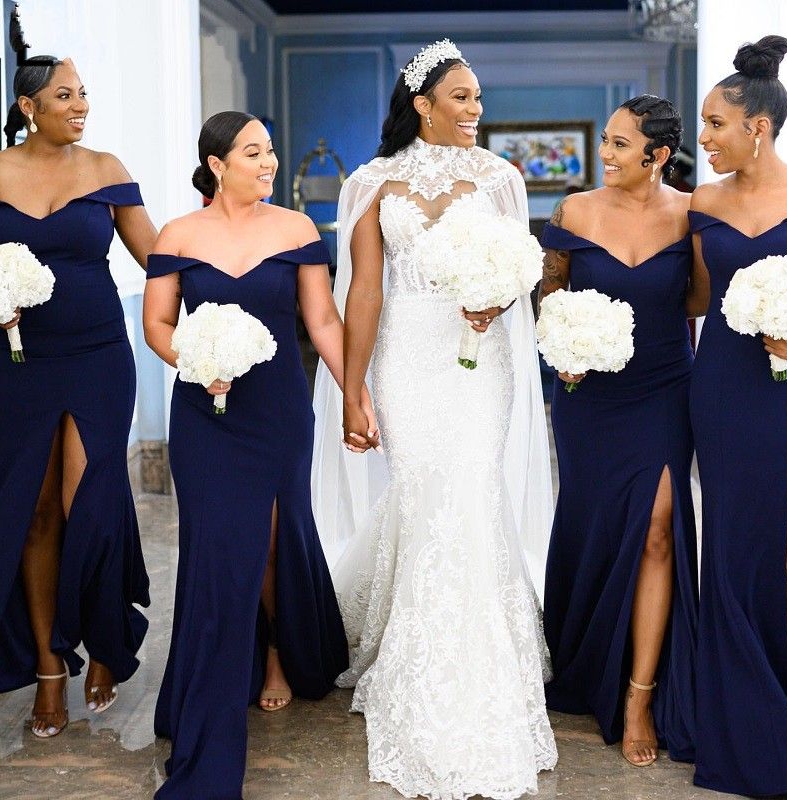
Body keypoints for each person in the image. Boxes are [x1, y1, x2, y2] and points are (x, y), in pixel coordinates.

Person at [311, 40, 556, 799]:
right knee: (422, 493)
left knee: (472, 488)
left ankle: (483, 668)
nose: (476, 110)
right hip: (404, 358)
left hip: (481, 360)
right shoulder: (370, 182)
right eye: (462, 97)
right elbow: (362, 294)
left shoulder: (501, 178)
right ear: (422, 103)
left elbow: (522, 270)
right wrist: (353, 389)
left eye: (479, 98)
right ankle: (410, 657)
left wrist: (497, 300)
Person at [143, 111, 354, 799]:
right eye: (254, 154)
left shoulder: (295, 230)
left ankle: (273, 655)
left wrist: (358, 390)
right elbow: (157, 324)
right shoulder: (178, 235)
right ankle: (212, 686)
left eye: (270, 153)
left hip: (278, 411)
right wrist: (196, 361)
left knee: (269, 540)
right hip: (206, 413)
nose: (268, 164)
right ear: (216, 163)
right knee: (215, 546)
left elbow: (320, 319)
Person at [539, 95, 700, 768]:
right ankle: (584, 656)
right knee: (597, 527)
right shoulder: (574, 211)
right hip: (587, 396)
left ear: (657, 156)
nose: (604, 154)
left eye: (619, 144)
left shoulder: (694, 213)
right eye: (604, 140)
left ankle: (639, 696)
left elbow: (698, 299)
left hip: (664, 389)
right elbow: (550, 292)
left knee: (659, 529)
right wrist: (568, 346)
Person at [0, 55, 155, 738]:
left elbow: (157, 256)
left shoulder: (106, 169)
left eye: (85, 93)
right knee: (33, 513)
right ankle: (48, 668)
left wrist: (235, 266)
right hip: (17, 361)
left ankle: (105, 642)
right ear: (29, 106)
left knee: (88, 503)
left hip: (99, 355)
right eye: (65, 95)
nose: (81, 105)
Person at [688, 35, 787, 796]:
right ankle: (746, 734)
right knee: (731, 561)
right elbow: (694, 300)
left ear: (756, 127)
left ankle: (779, 706)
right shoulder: (704, 202)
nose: (704, 139)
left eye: (715, 125)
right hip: (723, 392)